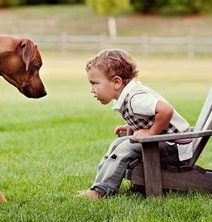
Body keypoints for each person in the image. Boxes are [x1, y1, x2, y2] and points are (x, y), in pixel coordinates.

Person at [78, 49, 193, 199]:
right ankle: (99, 186)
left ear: (116, 82)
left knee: (126, 147)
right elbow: (148, 116)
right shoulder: (129, 95)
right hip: (166, 143)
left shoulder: (135, 99)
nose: (92, 90)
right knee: (117, 144)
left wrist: (151, 133)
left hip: (174, 149)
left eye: (95, 84)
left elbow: (165, 111)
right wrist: (132, 127)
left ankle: (102, 191)